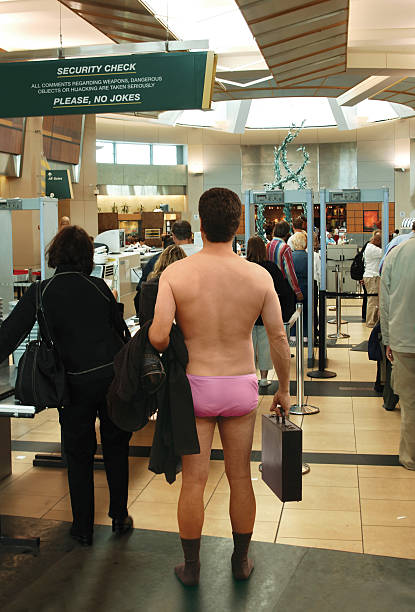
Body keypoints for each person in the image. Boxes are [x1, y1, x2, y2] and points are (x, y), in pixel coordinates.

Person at [148, 187, 291, 586]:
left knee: (195, 480)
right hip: (240, 386)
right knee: (239, 475)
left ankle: (191, 568)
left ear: (200, 223)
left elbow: (159, 337)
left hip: (195, 385)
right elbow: (278, 338)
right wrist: (284, 388)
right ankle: (241, 561)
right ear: (237, 223)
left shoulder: (176, 274)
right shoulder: (258, 275)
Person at [0, 226, 133, 546]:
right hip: (110, 379)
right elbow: (119, 331)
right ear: (88, 257)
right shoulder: (99, 286)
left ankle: (83, 527)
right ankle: (118, 515)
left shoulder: (41, 291)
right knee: (115, 447)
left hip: (72, 385)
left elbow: (9, 337)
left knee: (78, 453)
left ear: (55, 256)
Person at [380, 237, 415, 470]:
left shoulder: (396, 254)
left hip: (404, 340)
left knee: (410, 404)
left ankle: (410, 457)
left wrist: (388, 339)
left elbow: (385, 303)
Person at [246, 236, 295, 387]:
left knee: (248, 346)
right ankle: (263, 377)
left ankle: (249, 376)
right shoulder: (271, 267)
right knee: (265, 346)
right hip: (265, 313)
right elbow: (283, 290)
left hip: (246, 314)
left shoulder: (243, 266)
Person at [138, 244, 187, 324]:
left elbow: (144, 317)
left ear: (160, 262)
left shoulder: (151, 284)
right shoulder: (186, 284)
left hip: (153, 329)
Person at [134, 234, 174, 316]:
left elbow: (140, 286)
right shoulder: (180, 261)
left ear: (163, 246)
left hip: (148, 302)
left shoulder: (154, 260)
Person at [266, 220, 303, 302]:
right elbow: (289, 271)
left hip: (269, 285)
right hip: (282, 287)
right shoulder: (285, 248)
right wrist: (297, 291)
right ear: (286, 233)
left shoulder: (268, 245)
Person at [290, 232, 309, 337]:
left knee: (294, 311)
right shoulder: (309, 257)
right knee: (306, 311)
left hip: (294, 288)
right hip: (307, 287)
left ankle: (293, 333)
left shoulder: (290, 256)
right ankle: (305, 333)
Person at [363, 231, 382, 327]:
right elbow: (385, 253)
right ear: (377, 240)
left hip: (371, 276)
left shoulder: (369, 247)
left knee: (373, 300)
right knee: (373, 300)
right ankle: (371, 322)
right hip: (372, 276)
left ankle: (373, 321)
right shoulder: (373, 249)